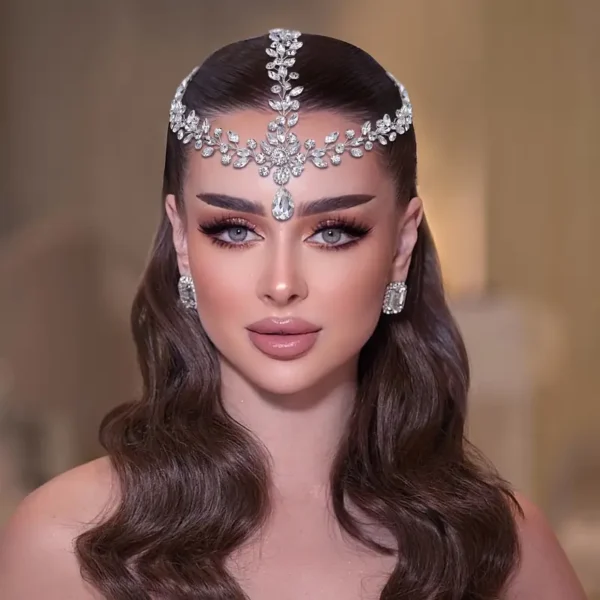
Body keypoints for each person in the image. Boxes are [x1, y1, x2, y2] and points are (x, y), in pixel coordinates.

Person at [0, 29, 586, 600]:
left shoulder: (502, 549)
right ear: (182, 239)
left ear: (401, 246)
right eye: (233, 230)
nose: (281, 284)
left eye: (333, 232)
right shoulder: (64, 542)